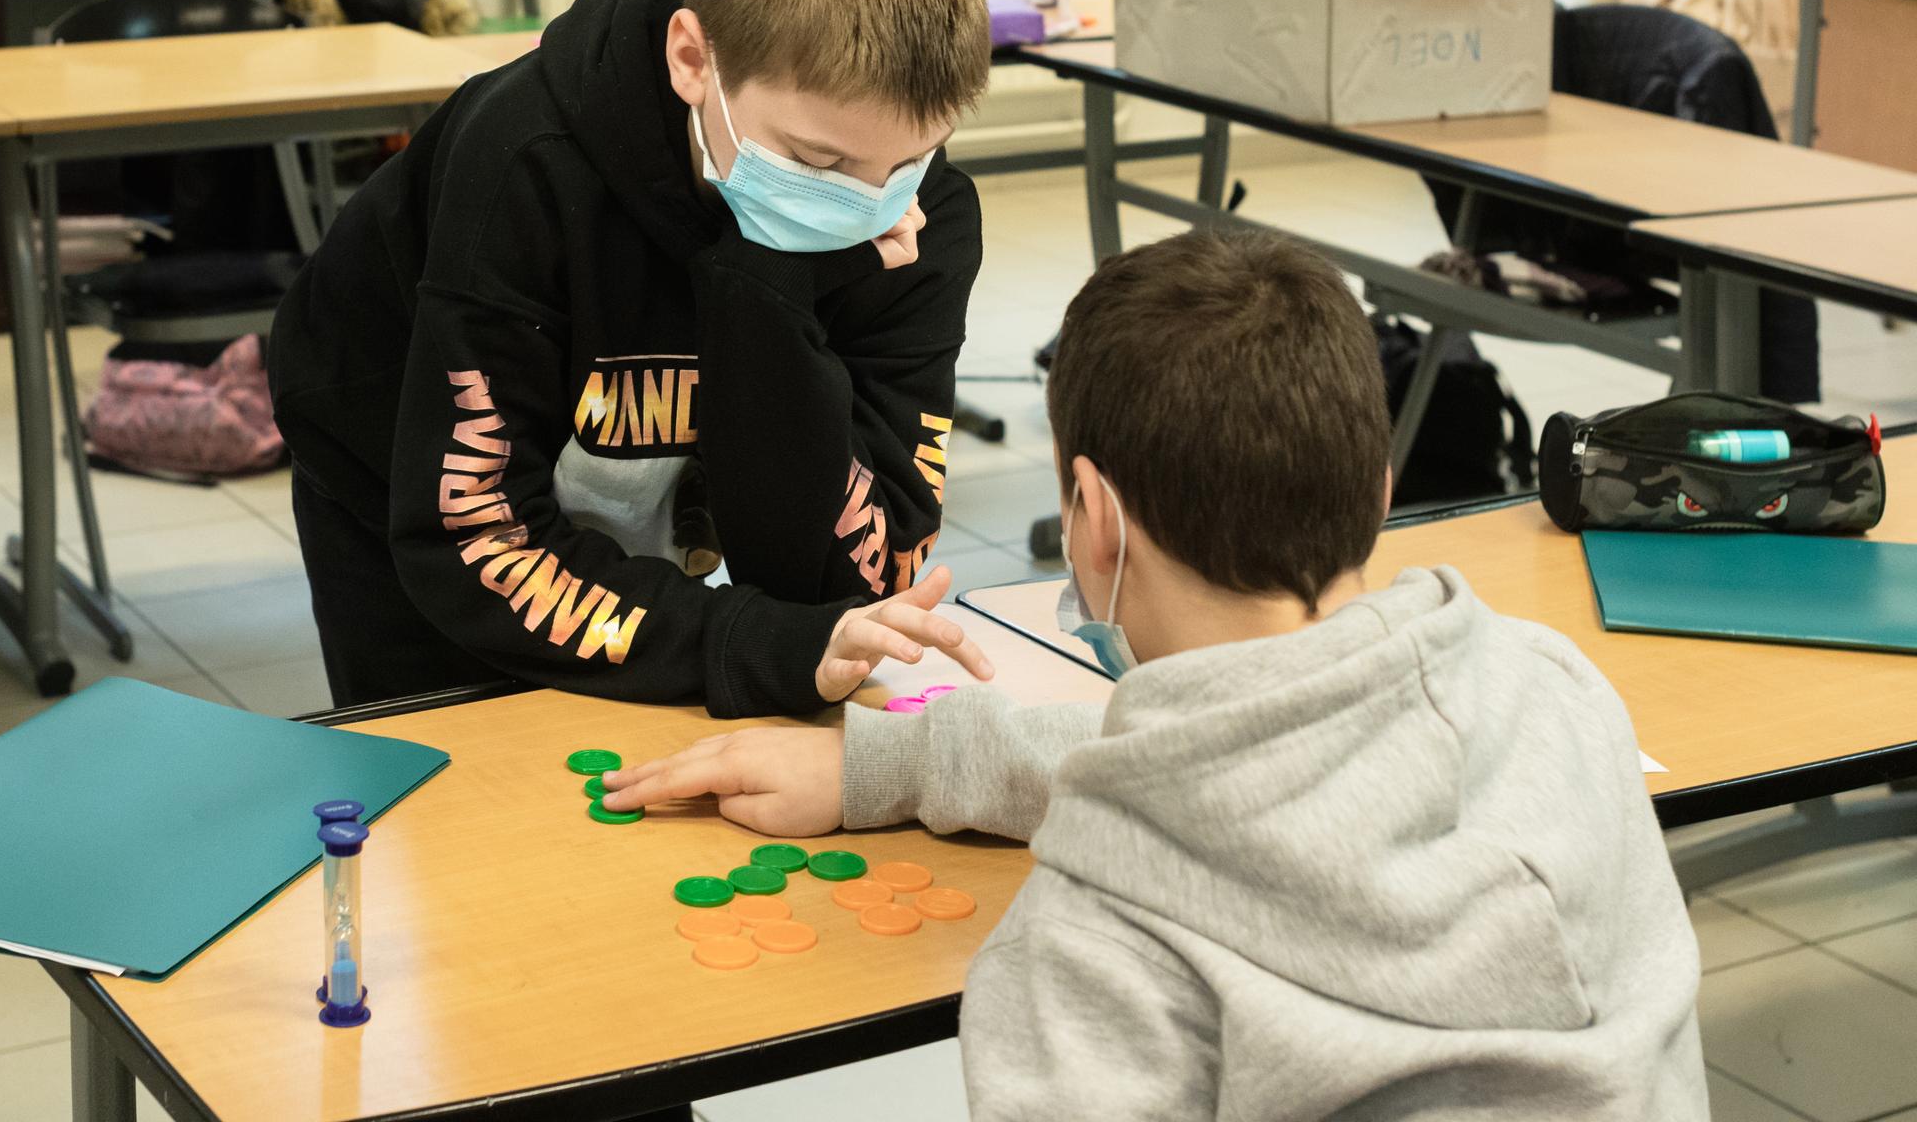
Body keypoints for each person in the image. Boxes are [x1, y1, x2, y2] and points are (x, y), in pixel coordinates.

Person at [602, 228, 1708, 1119]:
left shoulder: (1098, 940)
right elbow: (1262, 761)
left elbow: (1211, 792)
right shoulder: (1553, 690)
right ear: (1378, 487)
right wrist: (886, 763)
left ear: (1093, 522)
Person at [269, 0, 994, 714]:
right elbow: (472, 542)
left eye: (910, 161)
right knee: (461, 788)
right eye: (820, 165)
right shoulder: (524, 164)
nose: (870, 207)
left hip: (624, 482)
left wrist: (769, 296)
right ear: (694, 60)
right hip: (398, 468)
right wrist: (735, 641)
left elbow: (862, 568)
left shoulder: (922, 209)